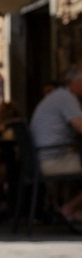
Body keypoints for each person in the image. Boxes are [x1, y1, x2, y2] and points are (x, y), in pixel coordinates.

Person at [28, 65, 82, 226]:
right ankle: (70, 208)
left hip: (41, 158)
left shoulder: (58, 96)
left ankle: (72, 210)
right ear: (77, 82)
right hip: (50, 159)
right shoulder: (66, 98)